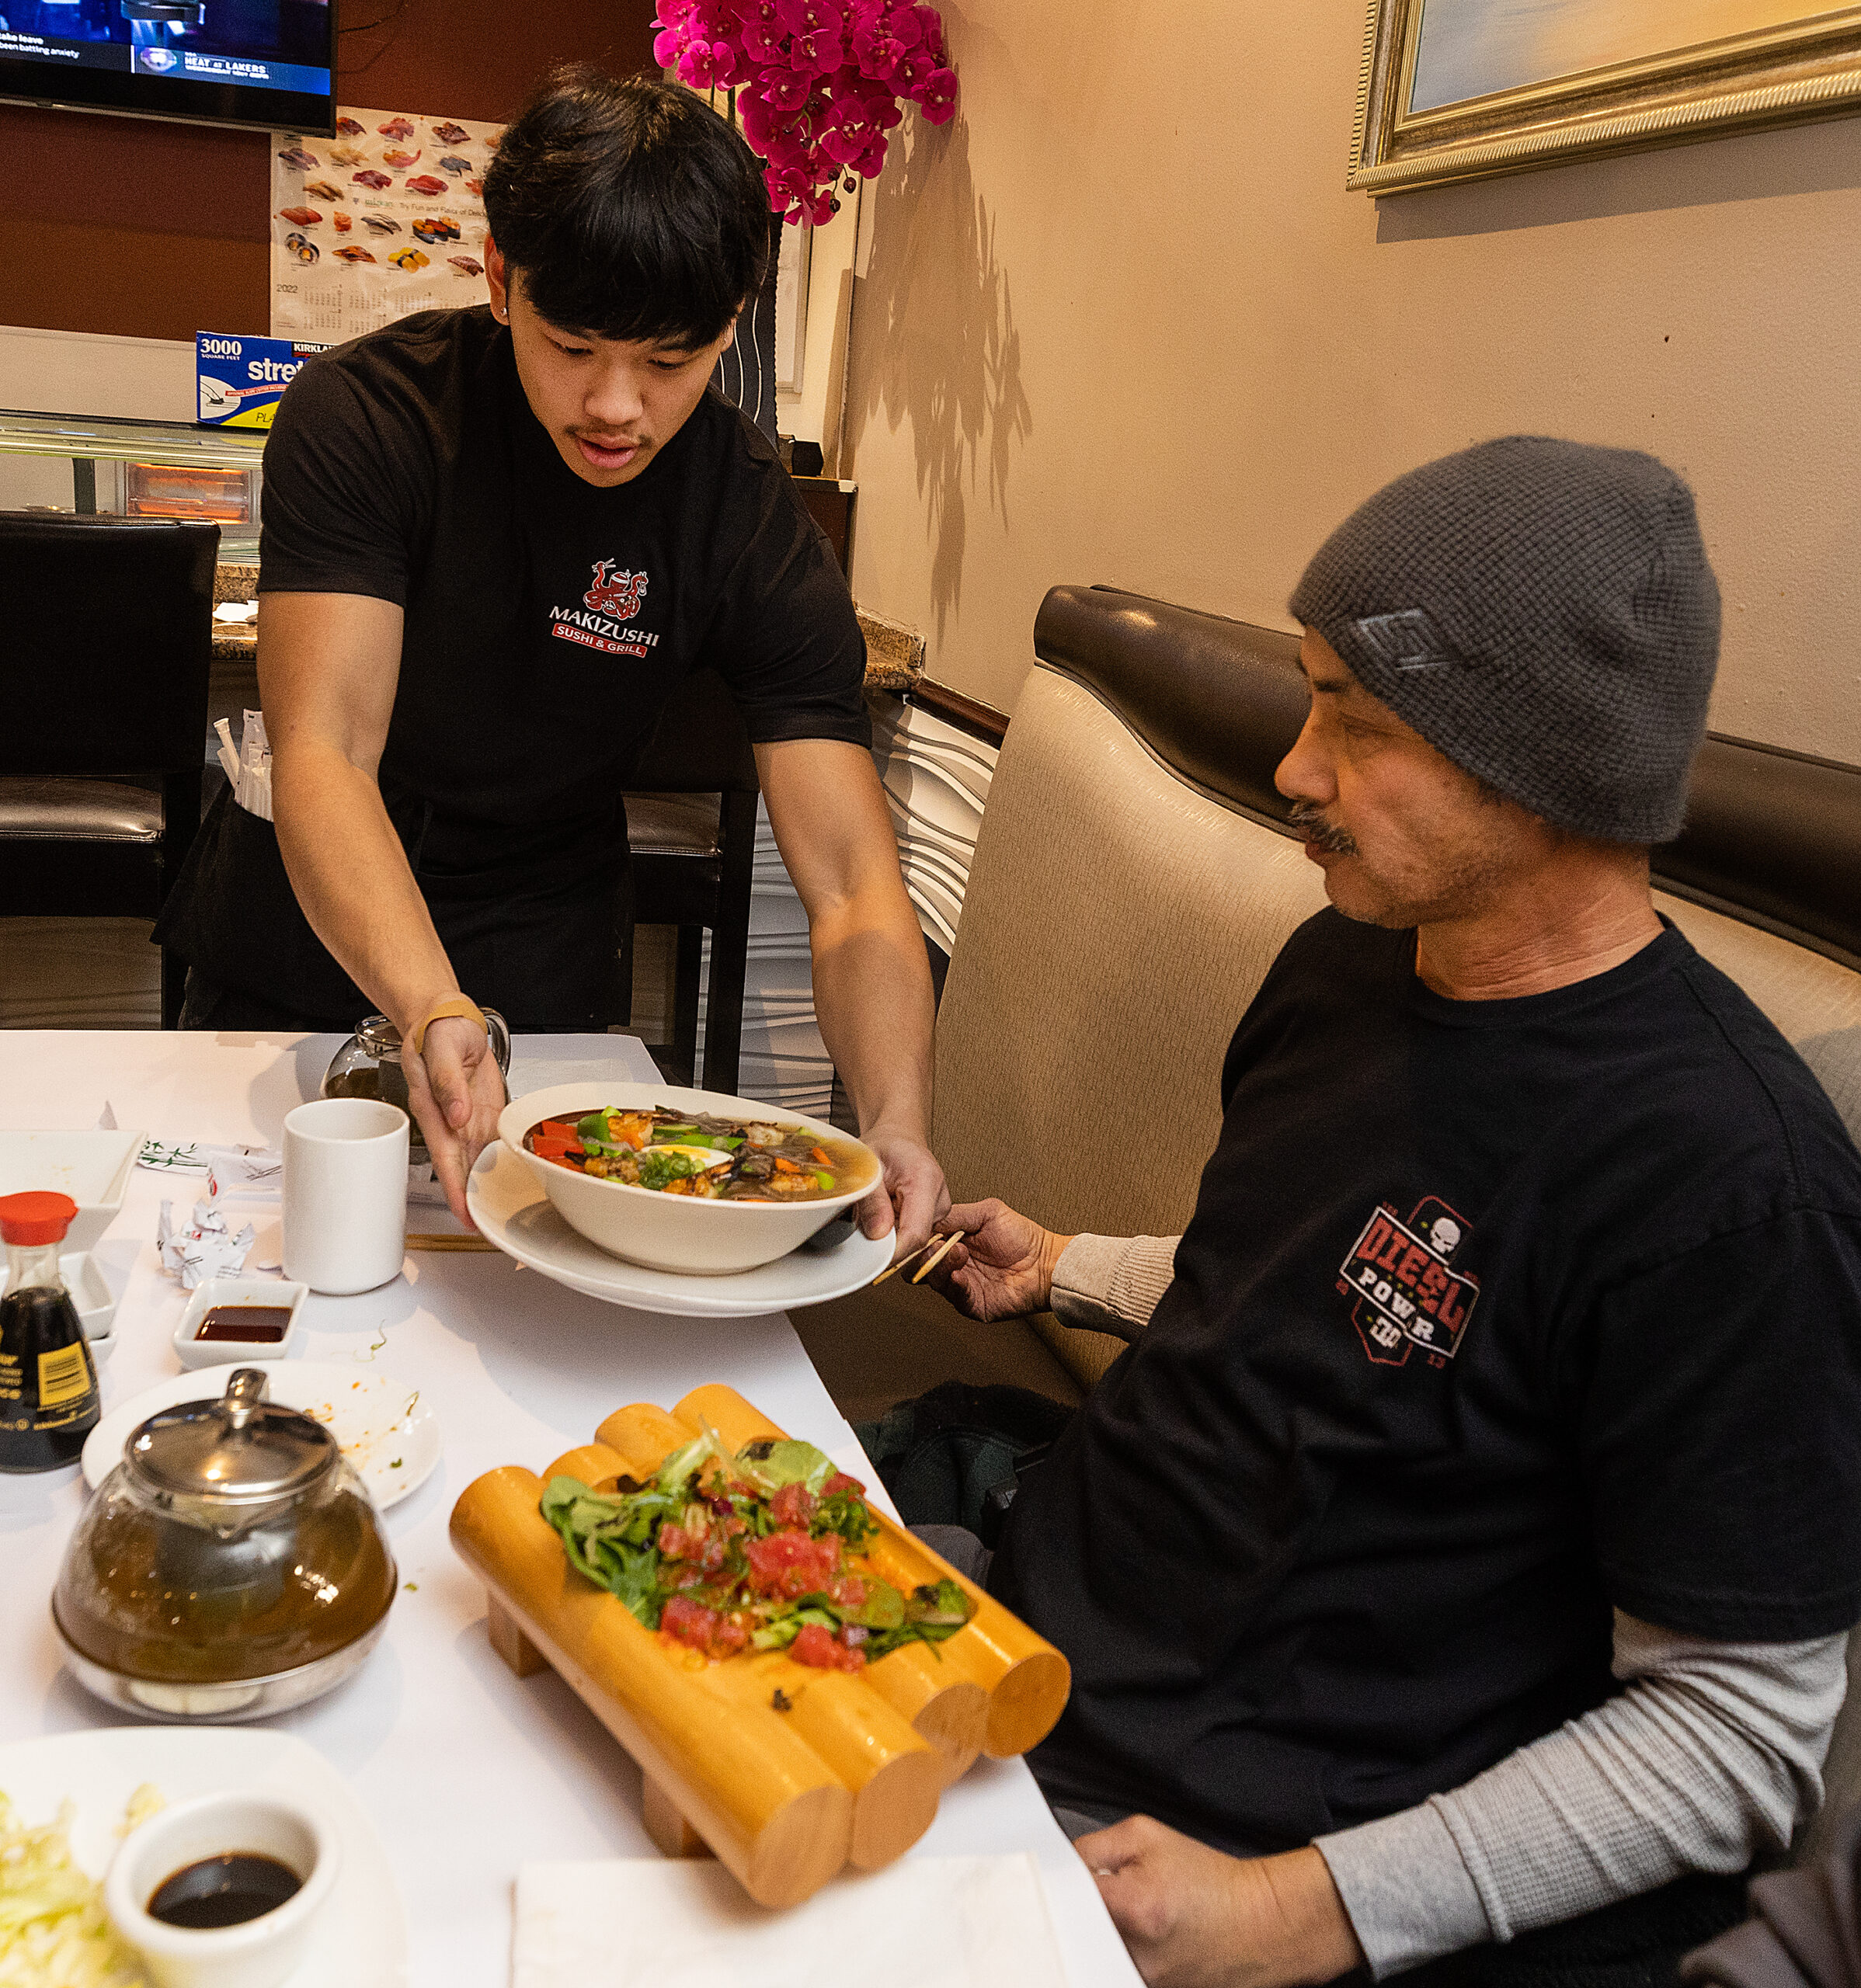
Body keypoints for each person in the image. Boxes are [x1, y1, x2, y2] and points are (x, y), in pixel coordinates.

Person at [921, 439, 1861, 1986]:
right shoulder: (1350, 960)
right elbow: (1330, 1289)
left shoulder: (1729, 1192)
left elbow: (1742, 1736)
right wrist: (1075, 1269)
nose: (1294, 768)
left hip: (1223, 1824)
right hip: (1027, 1617)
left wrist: (1284, 1909)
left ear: (1539, 758)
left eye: (1351, 720)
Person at [157, 68, 944, 1247]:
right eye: (573, 345)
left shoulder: (740, 510)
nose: (615, 406)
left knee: (538, 1304)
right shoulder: (369, 417)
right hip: (311, 927)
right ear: (498, 279)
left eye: (670, 362)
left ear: (729, 327)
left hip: (544, 932)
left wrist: (897, 1115)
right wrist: (428, 1005)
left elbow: (849, 885)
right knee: (257, 1267)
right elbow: (327, 750)